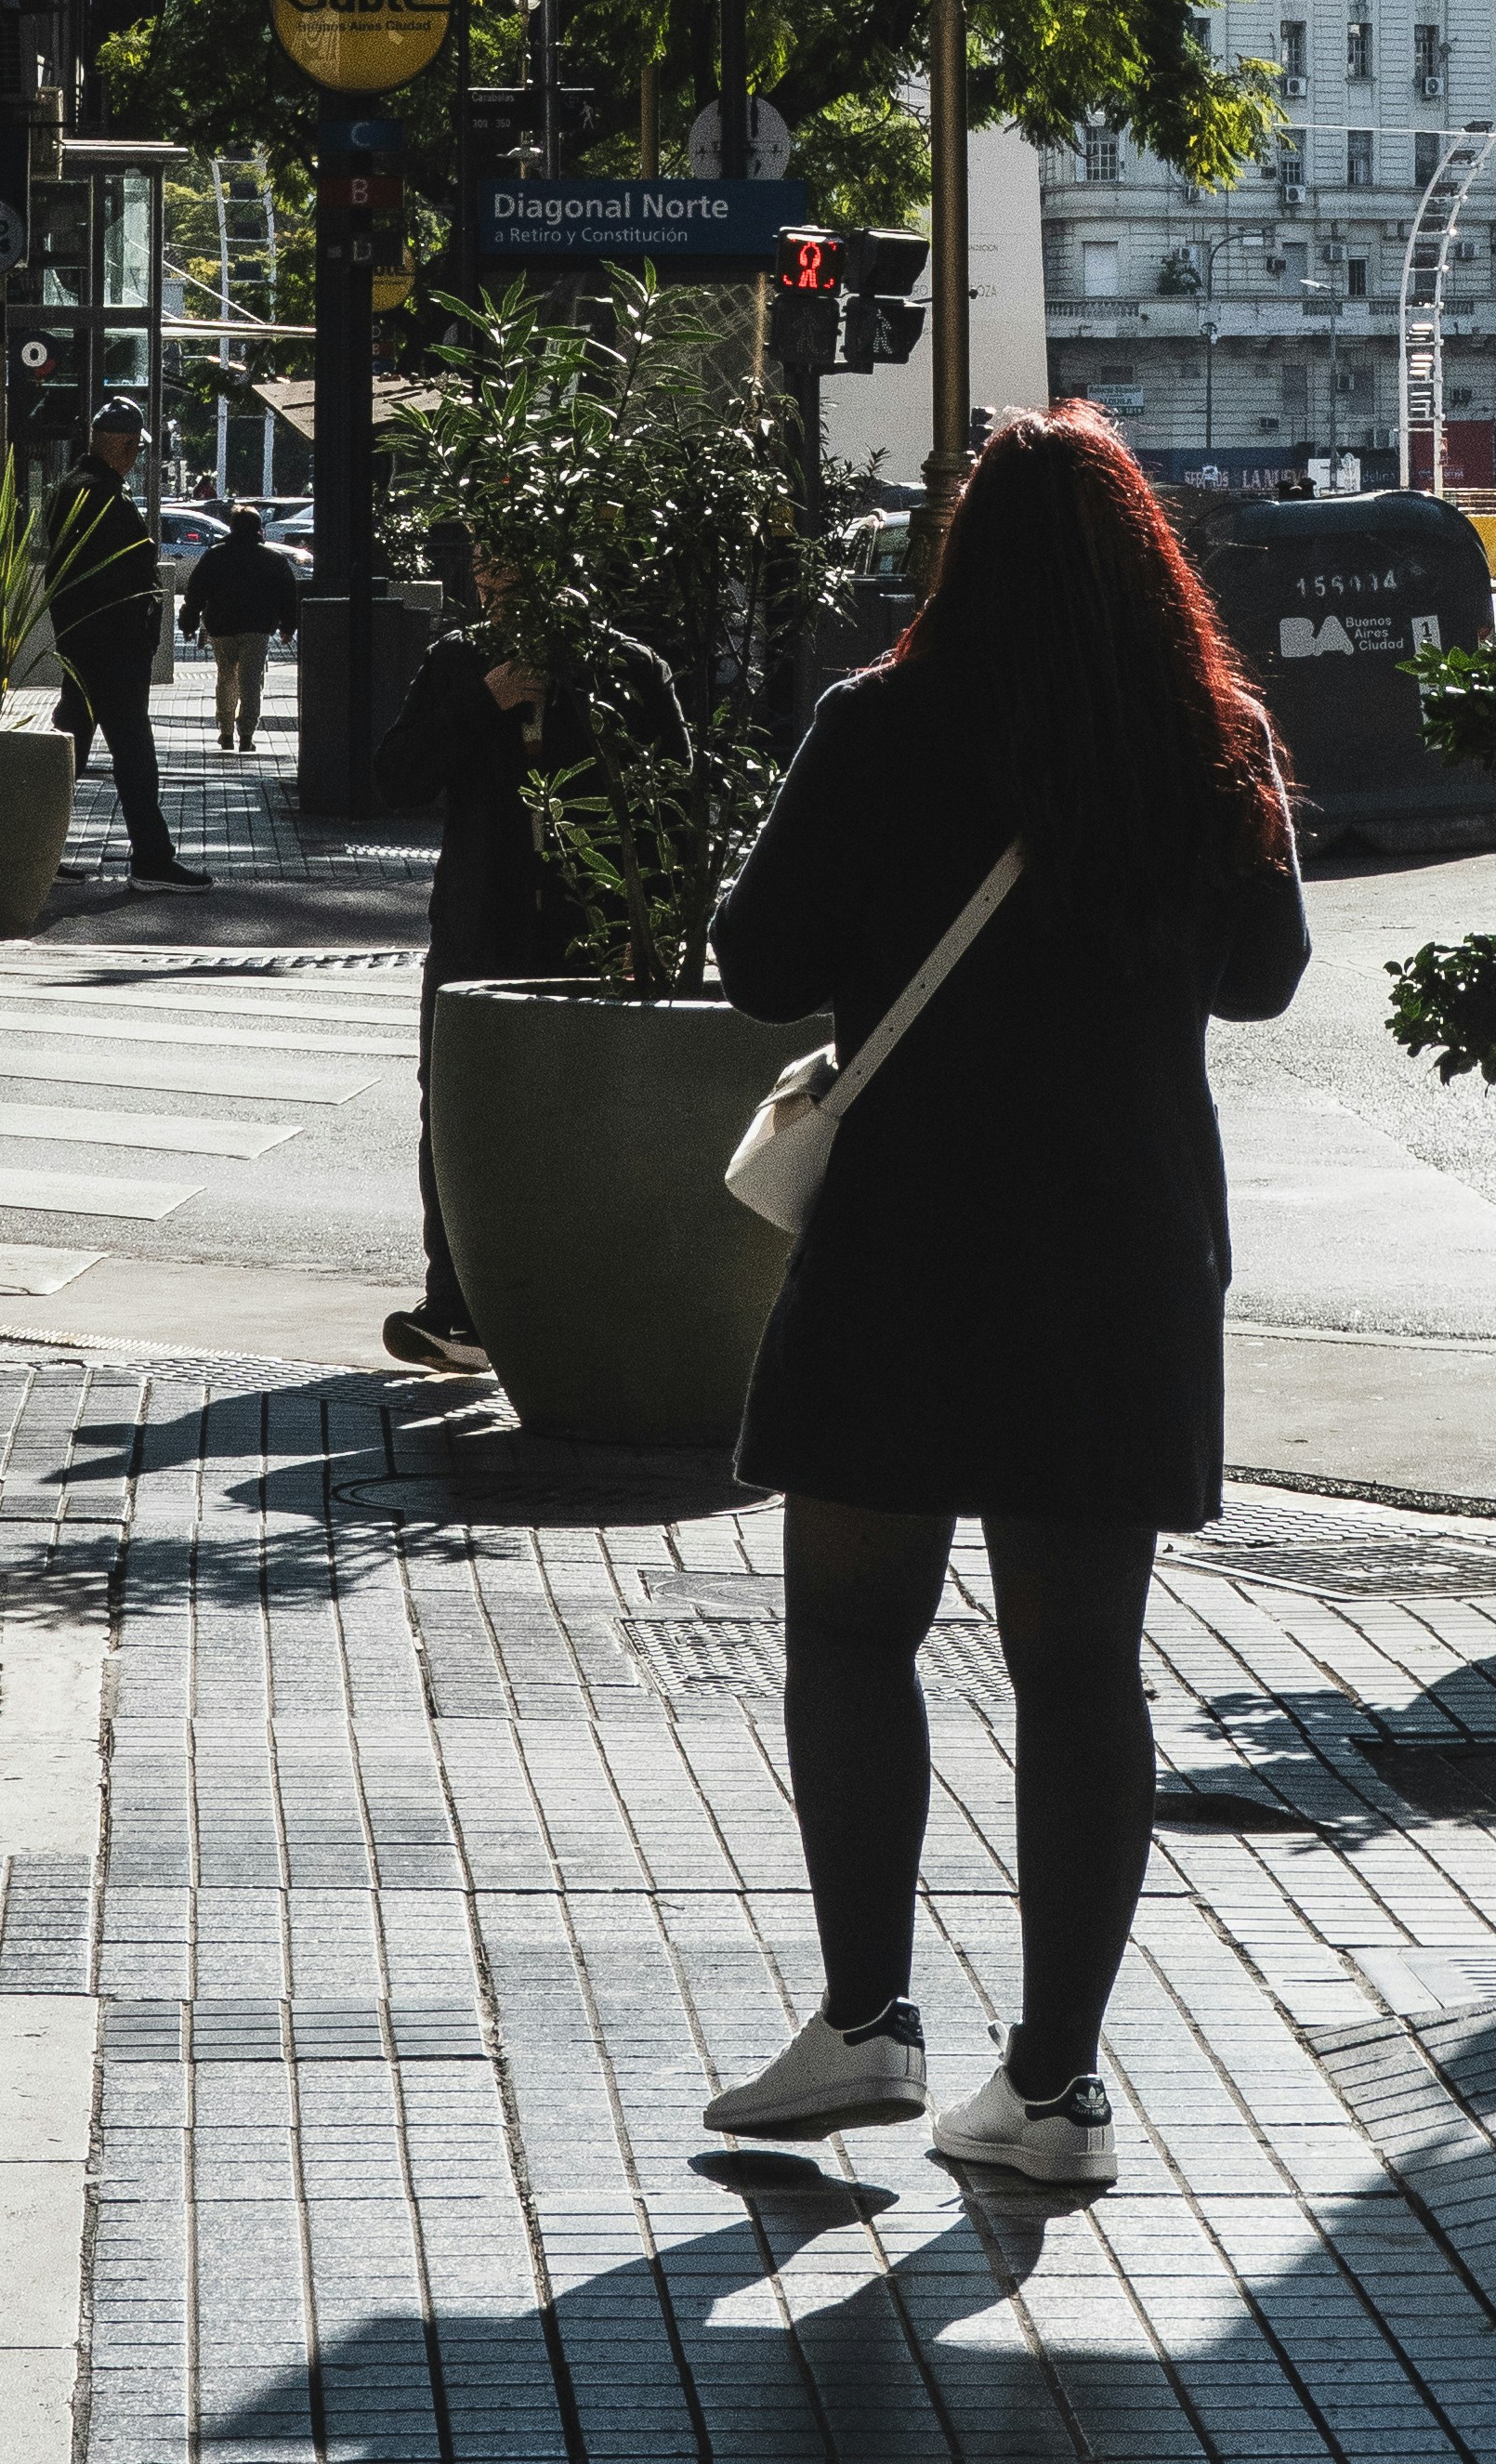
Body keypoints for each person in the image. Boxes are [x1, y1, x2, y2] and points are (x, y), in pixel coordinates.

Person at [701, 402, 1307, 2196]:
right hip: (1117, 1246)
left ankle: (870, 2019)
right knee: (1078, 1666)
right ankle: (1054, 2087)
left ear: (961, 555)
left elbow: (755, 965)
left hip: (909, 1237)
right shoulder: (1209, 740)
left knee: (853, 1625)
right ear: (1147, 567)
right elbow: (1266, 979)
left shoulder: (879, 726)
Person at [373, 554, 690, 1379]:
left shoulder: (625, 667)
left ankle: (577, 1301)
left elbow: (676, 810)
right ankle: (456, 1306)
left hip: (590, 927)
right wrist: (485, 700)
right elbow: (396, 775)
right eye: (481, 575)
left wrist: (646, 926)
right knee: (451, 1105)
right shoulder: (457, 660)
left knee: (587, 1111)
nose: (489, 590)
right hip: (480, 923)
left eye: (509, 576)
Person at [46, 397, 206, 887]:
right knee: (133, 753)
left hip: (86, 643)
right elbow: (115, 576)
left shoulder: (73, 488)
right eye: (135, 445)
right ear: (116, 443)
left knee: (70, 751)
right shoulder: (101, 495)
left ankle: (35, 850)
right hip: (109, 650)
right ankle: (152, 859)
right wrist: (135, 636)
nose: (138, 453)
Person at [183, 500, 298, 755]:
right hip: (257, 627)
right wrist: (288, 626)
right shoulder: (273, 560)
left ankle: (225, 732)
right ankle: (246, 733)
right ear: (259, 528)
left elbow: (196, 591)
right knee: (251, 681)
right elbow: (288, 595)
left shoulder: (216, 555)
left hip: (221, 626)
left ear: (232, 527)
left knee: (226, 677)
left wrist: (189, 622)